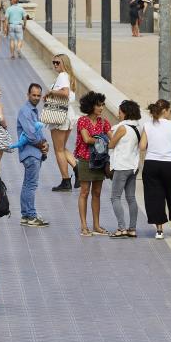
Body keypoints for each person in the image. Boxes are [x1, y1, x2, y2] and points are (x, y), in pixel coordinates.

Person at [140, 99, 171, 239]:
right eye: (170, 110)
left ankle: (159, 230)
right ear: (165, 111)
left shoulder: (147, 125)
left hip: (151, 164)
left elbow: (142, 147)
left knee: (154, 196)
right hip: (169, 164)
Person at [74, 91, 111, 237]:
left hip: (99, 161)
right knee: (84, 192)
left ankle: (96, 225)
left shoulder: (104, 122)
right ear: (91, 106)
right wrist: (102, 140)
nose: (101, 108)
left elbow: (112, 138)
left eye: (102, 105)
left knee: (97, 193)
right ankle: (84, 226)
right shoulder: (83, 120)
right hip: (85, 160)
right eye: (98, 105)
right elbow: (86, 139)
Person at [17, 83, 50, 227]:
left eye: (38, 95)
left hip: (32, 153)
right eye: (34, 95)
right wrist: (42, 145)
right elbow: (31, 135)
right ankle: (31, 216)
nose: (36, 98)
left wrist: (44, 142)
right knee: (31, 185)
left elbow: (37, 132)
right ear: (28, 95)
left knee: (27, 185)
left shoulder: (32, 111)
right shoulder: (25, 111)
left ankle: (25, 215)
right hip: (31, 155)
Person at [109, 100, 142, 238]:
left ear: (126, 113)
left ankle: (121, 228)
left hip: (121, 166)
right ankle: (132, 229)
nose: (118, 114)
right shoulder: (138, 127)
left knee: (115, 197)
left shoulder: (122, 128)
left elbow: (111, 144)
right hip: (133, 166)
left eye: (120, 112)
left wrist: (109, 134)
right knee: (131, 198)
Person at [46, 54, 79, 191]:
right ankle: (78, 171)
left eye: (57, 63)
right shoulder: (69, 76)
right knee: (62, 148)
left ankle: (66, 180)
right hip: (68, 113)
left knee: (58, 150)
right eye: (53, 62)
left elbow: (65, 93)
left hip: (60, 113)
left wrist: (50, 92)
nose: (55, 65)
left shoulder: (62, 76)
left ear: (64, 63)